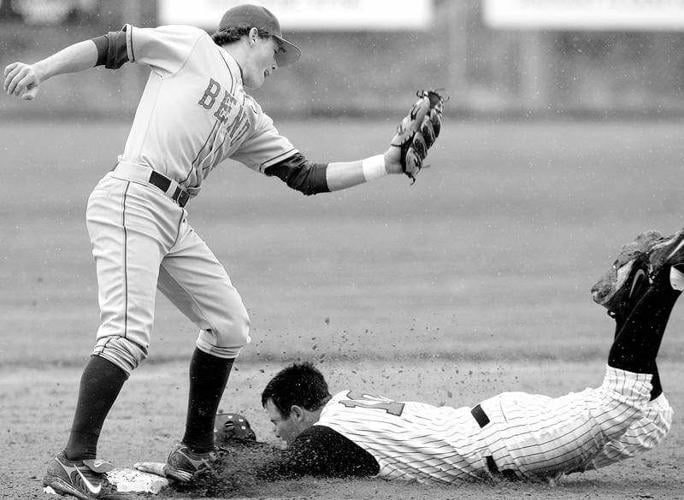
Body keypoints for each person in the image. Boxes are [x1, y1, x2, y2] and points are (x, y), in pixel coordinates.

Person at [3, 4, 442, 499]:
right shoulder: (193, 48)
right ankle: (73, 461)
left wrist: (385, 163)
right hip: (131, 197)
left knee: (229, 324)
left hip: (172, 216)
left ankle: (193, 451)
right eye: (276, 49)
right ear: (253, 36)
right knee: (127, 334)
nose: (277, 63)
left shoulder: (248, 114)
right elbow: (114, 45)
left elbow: (304, 176)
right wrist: (40, 68)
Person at [203, 228, 682, 486]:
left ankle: (669, 279)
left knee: (622, 401)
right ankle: (627, 308)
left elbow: (268, 472)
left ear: (300, 412)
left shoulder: (326, 438)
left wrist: (217, 456)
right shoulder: (345, 405)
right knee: (652, 416)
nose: (279, 434)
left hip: (510, 444)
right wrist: (245, 444)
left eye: (276, 423)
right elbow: (288, 457)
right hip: (507, 422)